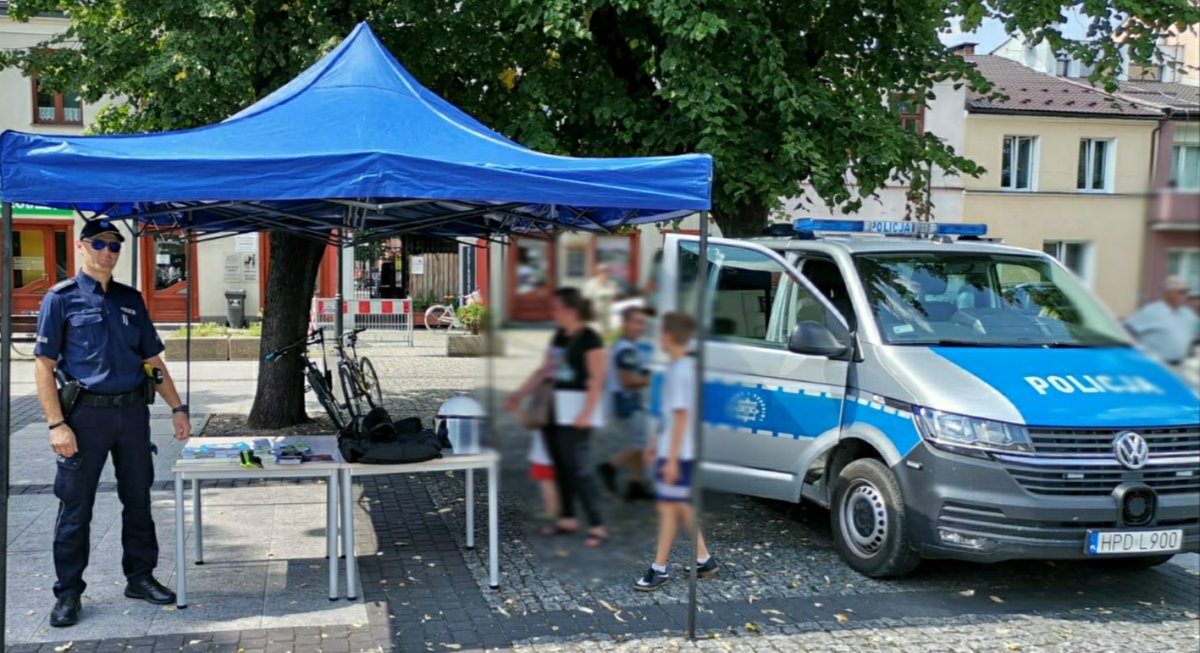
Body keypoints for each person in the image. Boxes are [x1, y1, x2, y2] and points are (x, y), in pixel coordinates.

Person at [33, 219, 193, 628]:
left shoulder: (130, 300)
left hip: (132, 415)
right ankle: (68, 592)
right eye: (99, 244)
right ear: (81, 246)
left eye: (114, 246)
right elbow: (44, 365)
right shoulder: (60, 298)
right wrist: (56, 424)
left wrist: (177, 407)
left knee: (138, 500)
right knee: (76, 507)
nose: (107, 252)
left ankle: (140, 577)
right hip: (84, 418)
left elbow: (151, 360)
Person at [506, 288, 609, 548]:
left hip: (577, 409)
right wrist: (519, 394)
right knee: (561, 466)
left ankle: (596, 524)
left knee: (580, 469)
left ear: (570, 310)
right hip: (553, 408)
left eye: (556, 308)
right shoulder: (559, 336)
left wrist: (586, 413)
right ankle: (567, 518)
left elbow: (597, 379)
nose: (553, 313)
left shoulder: (590, 338)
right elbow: (544, 371)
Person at [635, 312, 718, 591]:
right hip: (678, 451)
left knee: (670, 509)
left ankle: (659, 568)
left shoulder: (680, 372)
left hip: (678, 454)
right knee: (680, 505)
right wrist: (654, 443)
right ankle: (703, 559)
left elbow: (681, 417)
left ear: (668, 337)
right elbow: (670, 416)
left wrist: (669, 458)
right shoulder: (680, 369)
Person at [596, 306, 655, 501]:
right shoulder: (626, 350)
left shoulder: (625, 345)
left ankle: (634, 485)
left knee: (637, 441)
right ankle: (610, 467)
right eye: (637, 322)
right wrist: (650, 379)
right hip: (626, 400)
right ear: (625, 324)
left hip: (625, 399)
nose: (641, 327)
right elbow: (627, 381)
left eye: (643, 323)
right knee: (642, 442)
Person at [1125, 276, 1200, 371]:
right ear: (1168, 294)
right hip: (1155, 365)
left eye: (1187, 292)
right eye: (1181, 292)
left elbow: (1196, 330)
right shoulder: (1151, 312)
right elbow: (1126, 331)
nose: (1186, 295)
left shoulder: (1187, 313)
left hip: (1180, 365)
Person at [582, 263, 618, 336]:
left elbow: (614, 299)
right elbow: (586, 301)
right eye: (601, 271)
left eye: (606, 271)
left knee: (605, 336)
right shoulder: (590, 284)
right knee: (595, 335)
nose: (604, 273)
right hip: (594, 315)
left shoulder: (612, 284)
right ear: (597, 273)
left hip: (606, 315)